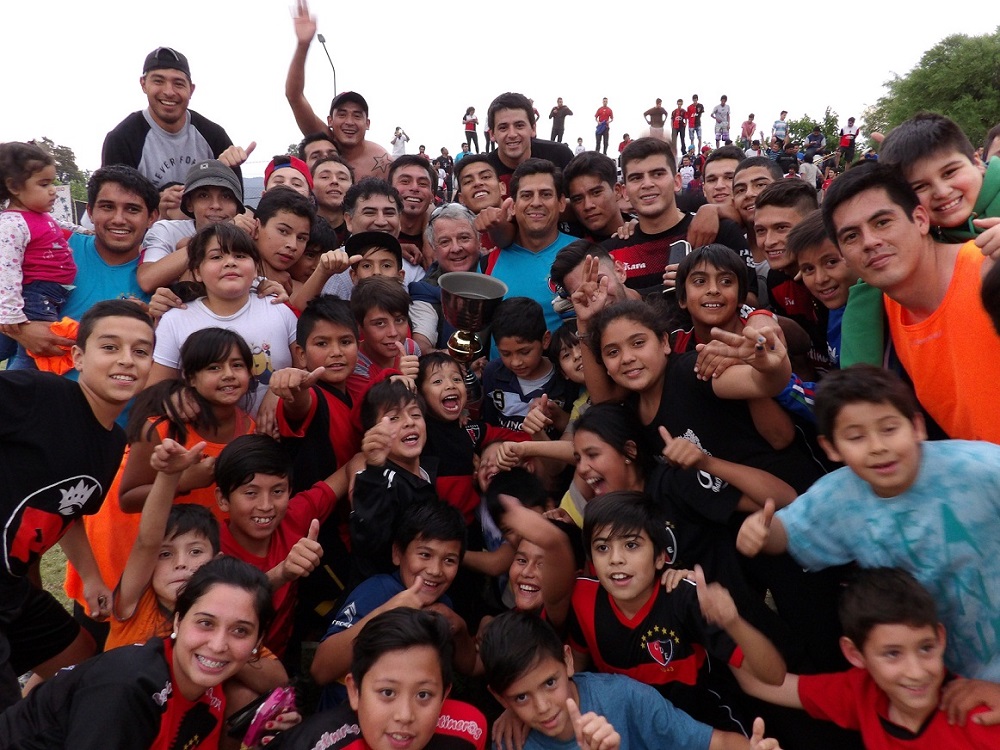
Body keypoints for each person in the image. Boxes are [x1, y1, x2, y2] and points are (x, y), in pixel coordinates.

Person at [737, 365, 1000, 681]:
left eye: (889, 429)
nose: (877, 447)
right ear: (831, 447)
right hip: (934, 675)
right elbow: (790, 532)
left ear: (917, 426)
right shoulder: (839, 497)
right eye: (856, 436)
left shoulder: (980, 468)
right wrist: (761, 532)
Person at [0, 300, 154, 709]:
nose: (127, 359)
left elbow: (67, 511)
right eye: (110, 347)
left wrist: (90, 576)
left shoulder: (112, 443)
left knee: (82, 662)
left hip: (11, 589)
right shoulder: (38, 395)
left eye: (140, 351)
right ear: (79, 357)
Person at [0, 556, 283, 749]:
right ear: (178, 621)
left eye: (240, 631)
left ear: (258, 641)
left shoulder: (209, 690)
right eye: (206, 623)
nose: (218, 645)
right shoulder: (128, 688)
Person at [821, 162, 1000, 442]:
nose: (870, 241)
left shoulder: (989, 272)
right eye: (851, 236)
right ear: (843, 256)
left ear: (920, 220)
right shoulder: (881, 315)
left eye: (882, 222)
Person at [738, 567, 1000, 748]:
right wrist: (726, 624)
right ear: (855, 654)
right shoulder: (861, 692)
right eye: (893, 654)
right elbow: (766, 684)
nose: (916, 671)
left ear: (940, 638)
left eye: (925, 648)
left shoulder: (979, 718)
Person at [482, 610, 782, 750]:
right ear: (500, 698)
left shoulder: (625, 697)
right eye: (521, 697)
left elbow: (714, 742)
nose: (543, 706)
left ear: (568, 660)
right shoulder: (510, 743)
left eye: (550, 683)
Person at [4, 166, 159, 374]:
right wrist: (21, 330)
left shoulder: (160, 274)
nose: (118, 219)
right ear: (90, 212)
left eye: (132, 209)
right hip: (35, 391)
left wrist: (155, 323)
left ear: (152, 217)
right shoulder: (54, 248)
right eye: (107, 207)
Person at [215, 432, 350, 659]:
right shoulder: (209, 546)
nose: (266, 505)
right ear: (223, 499)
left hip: (282, 654)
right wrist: (282, 573)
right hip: (227, 661)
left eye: (277, 491)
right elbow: (227, 606)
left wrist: (359, 478)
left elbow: (348, 470)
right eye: (251, 493)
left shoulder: (292, 518)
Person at [272, 608, 487, 750]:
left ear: (444, 695)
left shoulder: (467, 731)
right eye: (388, 692)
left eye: (423, 695)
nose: (405, 715)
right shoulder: (312, 744)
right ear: (355, 691)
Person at [148, 223, 297, 412]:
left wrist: (279, 391)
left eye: (240, 256)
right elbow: (155, 392)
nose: (230, 262)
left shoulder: (279, 310)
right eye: (216, 257)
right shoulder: (176, 319)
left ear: (256, 268)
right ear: (197, 272)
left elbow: (307, 369)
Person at [102, 47, 239, 217]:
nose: (168, 92)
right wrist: (156, 203)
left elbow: (236, 205)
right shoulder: (122, 139)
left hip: (205, 229)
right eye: (158, 81)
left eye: (178, 83)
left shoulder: (214, 136)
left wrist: (226, 167)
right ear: (143, 84)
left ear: (191, 90)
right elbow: (114, 208)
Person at [602, 138, 750, 295]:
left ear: (677, 182)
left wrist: (701, 283)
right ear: (624, 192)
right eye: (636, 178)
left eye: (658, 174)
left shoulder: (719, 232)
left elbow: (752, 299)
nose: (647, 184)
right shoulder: (609, 254)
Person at [286, 1, 391, 180]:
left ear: (367, 123)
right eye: (342, 114)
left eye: (357, 115)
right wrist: (303, 45)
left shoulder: (382, 160)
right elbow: (294, 96)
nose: (349, 122)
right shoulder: (325, 143)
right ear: (330, 121)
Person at [0, 142, 77, 368]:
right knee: (35, 352)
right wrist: (10, 312)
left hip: (50, 293)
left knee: (9, 347)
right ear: (14, 187)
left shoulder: (41, 216)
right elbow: (6, 269)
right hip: (36, 295)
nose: (53, 190)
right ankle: (18, 385)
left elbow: (65, 227)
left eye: (52, 182)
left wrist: (89, 232)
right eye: (44, 184)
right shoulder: (12, 224)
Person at [481, 158, 576, 333]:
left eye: (546, 194)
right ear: (513, 206)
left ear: (561, 203)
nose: (536, 202)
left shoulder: (584, 254)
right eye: (526, 195)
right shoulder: (488, 263)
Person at [136, 158, 244, 294]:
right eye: (203, 196)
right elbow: (147, 280)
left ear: (237, 207)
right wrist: (211, 240)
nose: (216, 205)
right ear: (189, 204)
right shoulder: (167, 230)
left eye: (226, 196)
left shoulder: (246, 235)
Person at [482, 296, 574, 437]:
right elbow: (488, 427)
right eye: (505, 354)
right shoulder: (493, 373)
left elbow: (575, 432)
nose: (515, 362)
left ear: (545, 340)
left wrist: (556, 414)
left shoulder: (565, 375)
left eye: (524, 352)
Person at [485, 92, 575, 189]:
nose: (512, 134)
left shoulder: (561, 157)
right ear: (492, 134)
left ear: (533, 129)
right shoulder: (482, 170)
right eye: (503, 128)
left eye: (519, 126)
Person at [564, 152, 628, 240]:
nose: (588, 206)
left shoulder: (641, 230)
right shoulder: (571, 240)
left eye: (596, 193)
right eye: (578, 199)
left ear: (617, 191)